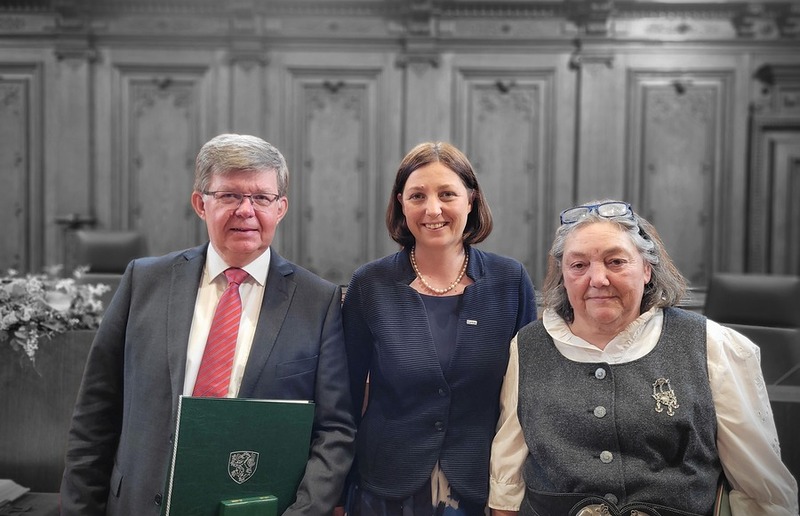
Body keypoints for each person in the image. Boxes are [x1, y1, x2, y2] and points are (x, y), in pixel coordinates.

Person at [60, 133, 356, 515]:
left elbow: (335, 431)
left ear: (281, 208)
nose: (246, 210)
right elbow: (95, 412)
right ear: (201, 203)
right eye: (230, 195)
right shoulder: (144, 282)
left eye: (261, 198)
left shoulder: (318, 301)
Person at [489, 200, 799, 516]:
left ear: (647, 269)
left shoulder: (711, 344)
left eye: (616, 262)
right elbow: (507, 481)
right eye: (578, 265)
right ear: (564, 276)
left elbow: (759, 488)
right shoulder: (527, 346)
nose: (598, 279)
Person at [342, 141, 537, 515]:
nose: (433, 209)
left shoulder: (509, 280)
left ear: (471, 200)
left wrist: (511, 492)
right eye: (417, 195)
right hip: (384, 490)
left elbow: (525, 400)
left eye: (447, 193)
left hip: (481, 489)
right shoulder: (369, 285)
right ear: (401, 203)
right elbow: (344, 401)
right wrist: (334, 494)